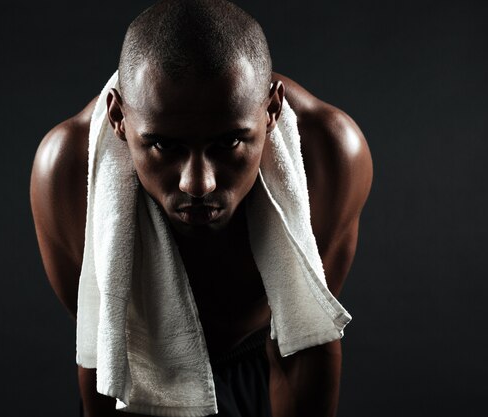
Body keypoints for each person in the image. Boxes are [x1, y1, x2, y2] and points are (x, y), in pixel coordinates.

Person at [30, 1, 372, 416]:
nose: (197, 183)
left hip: (263, 373)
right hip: (142, 382)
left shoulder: (329, 155)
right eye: (163, 146)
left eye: (228, 143)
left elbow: (304, 343)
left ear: (271, 110)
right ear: (118, 118)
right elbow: (105, 353)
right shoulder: (67, 172)